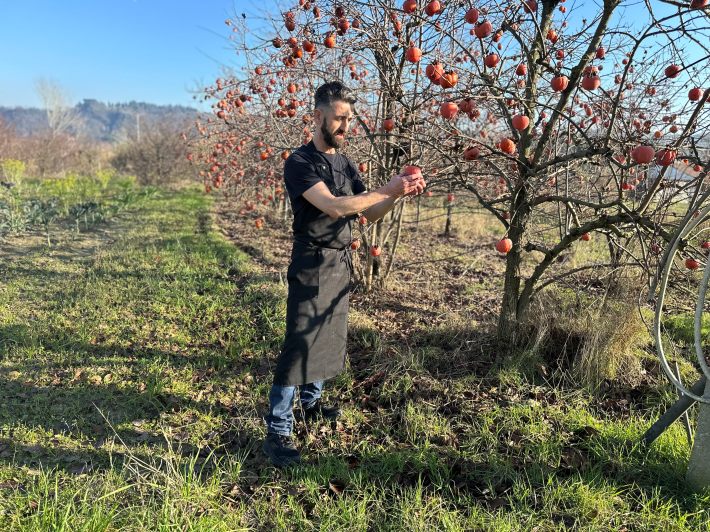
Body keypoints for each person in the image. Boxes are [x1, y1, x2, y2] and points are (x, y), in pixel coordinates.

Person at [262, 81, 426, 467]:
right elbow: (334, 207)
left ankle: (311, 404)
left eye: (348, 119)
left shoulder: (346, 163)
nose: (344, 126)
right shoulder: (299, 162)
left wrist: (395, 194)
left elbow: (366, 214)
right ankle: (278, 430)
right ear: (317, 116)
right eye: (339, 118)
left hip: (339, 261)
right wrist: (387, 187)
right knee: (300, 341)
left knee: (327, 335)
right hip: (311, 260)